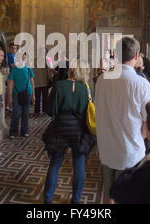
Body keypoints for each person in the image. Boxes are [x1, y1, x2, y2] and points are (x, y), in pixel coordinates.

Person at [95, 37, 150, 203]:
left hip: (106, 148)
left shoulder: (101, 79)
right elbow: (149, 121)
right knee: (128, 197)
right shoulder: (141, 84)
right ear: (137, 55)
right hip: (131, 150)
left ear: (115, 55)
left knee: (108, 194)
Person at [43, 60, 96, 204]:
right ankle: (76, 199)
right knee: (79, 164)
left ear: (71, 69)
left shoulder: (59, 86)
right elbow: (88, 112)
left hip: (60, 127)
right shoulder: (87, 88)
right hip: (79, 130)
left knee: (55, 163)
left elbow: (50, 111)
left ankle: (48, 199)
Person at [7, 53, 35, 139]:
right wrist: (9, 97)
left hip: (27, 92)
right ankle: (13, 131)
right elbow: (10, 84)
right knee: (16, 112)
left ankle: (24, 131)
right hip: (16, 93)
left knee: (25, 113)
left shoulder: (28, 69)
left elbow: (32, 82)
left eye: (24, 57)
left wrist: (34, 95)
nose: (23, 58)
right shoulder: (14, 70)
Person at [33, 50, 53, 118]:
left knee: (37, 97)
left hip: (36, 81)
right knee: (45, 97)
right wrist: (51, 78)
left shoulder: (34, 59)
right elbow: (50, 70)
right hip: (45, 81)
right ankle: (45, 111)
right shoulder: (48, 60)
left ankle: (37, 111)